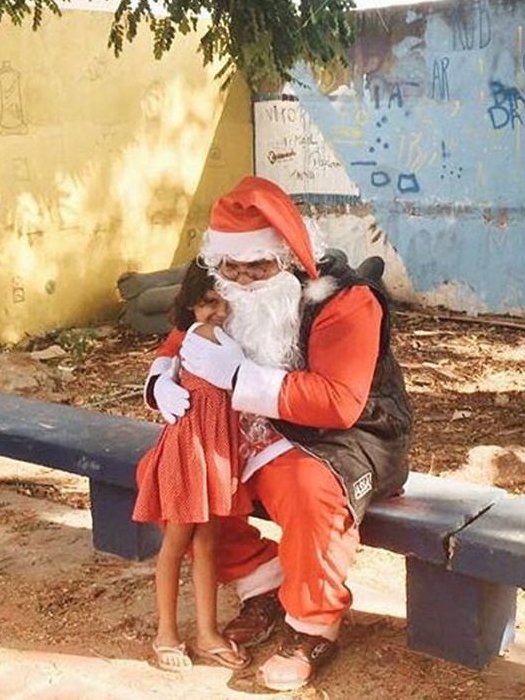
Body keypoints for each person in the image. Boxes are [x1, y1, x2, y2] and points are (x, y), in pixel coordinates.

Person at [145, 176, 413, 690]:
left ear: (287, 258)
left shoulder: (345, 300)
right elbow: (178, 338)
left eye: (258, 267)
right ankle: (260, 581)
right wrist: (159, 380)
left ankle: (313, 626)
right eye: (232, 268)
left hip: (349, 434)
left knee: (309, 493)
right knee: (172, 475)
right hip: (249, 425)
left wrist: (238, 378)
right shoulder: (215, 283)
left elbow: (338, 401)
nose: (243, 280)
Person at [133, 263, 253, 673]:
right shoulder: (202, 336)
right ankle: (166, 631)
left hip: (214, 449)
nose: (218, 311)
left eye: (224, 302)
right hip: (190, 450)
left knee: (207, 543)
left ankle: (207, 633)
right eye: (207, 303)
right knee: (177, 542)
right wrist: (159, 382)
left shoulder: (224, 334)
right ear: (191, 305)